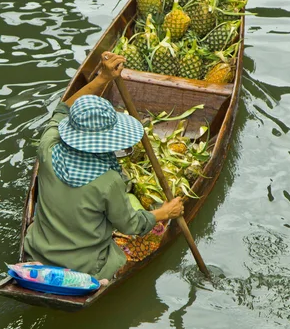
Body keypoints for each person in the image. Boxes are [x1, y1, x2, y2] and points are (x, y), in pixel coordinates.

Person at [23, 51, 184, 283]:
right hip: (87, 266)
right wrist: (165, 212)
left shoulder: (48, 145)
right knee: (153, 232)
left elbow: (62, 109)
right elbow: (131, 225)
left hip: (37, 249)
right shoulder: (109, 182)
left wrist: (103, 77)